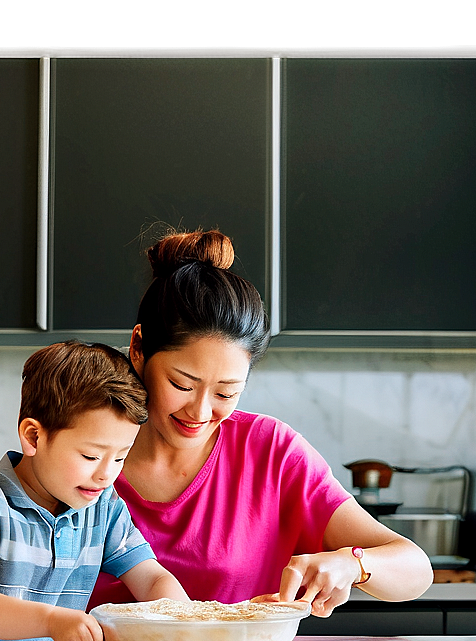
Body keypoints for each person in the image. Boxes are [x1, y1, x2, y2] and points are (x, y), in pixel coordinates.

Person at [87, 229, 433, 618]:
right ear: (138, 348)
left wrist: (352, 564)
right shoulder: (81, 448)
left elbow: (415, 568)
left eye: (226, 393)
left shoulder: (271, 452)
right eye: (181, 384)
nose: (200, 413)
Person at [0, 340, 190, 641]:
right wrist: (52, 621)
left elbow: (151, 580)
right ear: (33, 437)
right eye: (91, 456)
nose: (107, 474)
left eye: (120, 458)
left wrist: (186, 621)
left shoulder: (103, 509)